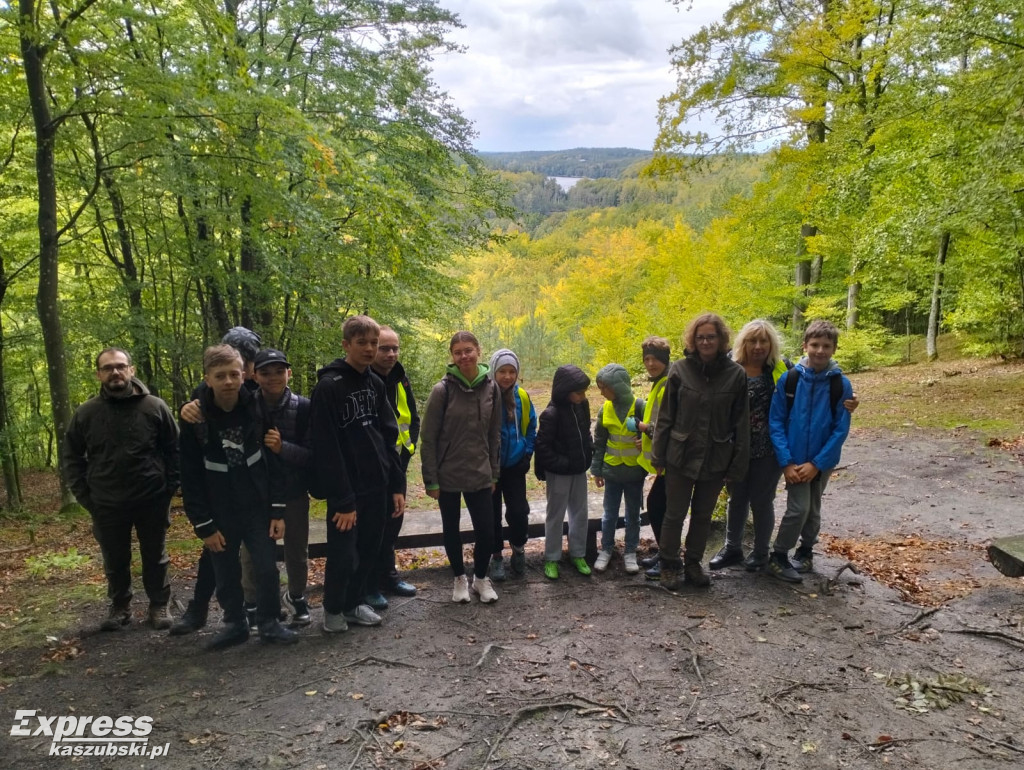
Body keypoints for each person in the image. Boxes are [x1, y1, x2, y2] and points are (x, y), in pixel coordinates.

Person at [709, 320, 859, 574]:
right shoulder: (730, 369)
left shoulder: (781, 370)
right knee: (737, 499)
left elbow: (815, 384)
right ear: (742, 342)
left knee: (762, 500)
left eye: (764, 341)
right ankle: (732, 547)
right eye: (752, 341)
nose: (758, 346)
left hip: (770, 450)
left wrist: (852, 402)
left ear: (772, 344)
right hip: (735, 448)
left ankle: (761, 553)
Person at [178, 344, 297, 648]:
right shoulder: (195, 418)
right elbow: (189, 475)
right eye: (220, 376)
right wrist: (203, 524)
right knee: (226, 571)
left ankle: (269, 622)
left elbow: (274, 459)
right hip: (220, 511)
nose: (229, 381)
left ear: (244, 375)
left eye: (234, 374)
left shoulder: (257, 408)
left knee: (266, 568)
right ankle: (234, 623)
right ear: (207, 379)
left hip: (257, 506)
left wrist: (278, 510)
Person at [63, 348, 179, 631]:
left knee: (156, 555)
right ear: (99, 374)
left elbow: (175, 450)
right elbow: (71, 457)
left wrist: (168, 489)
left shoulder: (154, 407)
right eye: (108, 368)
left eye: (120, 366)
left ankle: (159, 605)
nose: (115, 372)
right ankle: (120, 607)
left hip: (151, 497)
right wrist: (86, 497)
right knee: (115, 559)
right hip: (106, 501)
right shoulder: (86, 413)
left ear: (131, 370)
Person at [310, 315, 406, 632]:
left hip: (376, 486)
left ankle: (353, 604)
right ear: (346, 345)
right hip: (347, 492)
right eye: (362, 343)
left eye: (374, 343)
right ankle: (333, 610)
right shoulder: (328, 387)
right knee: (343, 554)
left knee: (369, 548)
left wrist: (395, 485)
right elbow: (326, 448)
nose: (369, 349)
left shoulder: (376, 384)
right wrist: (344, 499)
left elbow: (387, 438)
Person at [171, 326, 263, 635]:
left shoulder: (256, 390)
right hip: (220, 497)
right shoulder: (204, 398)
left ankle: (261, 610)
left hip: (253, 493)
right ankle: (202, 609)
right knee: (216, 553)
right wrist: (186, 409)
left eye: (246, 367)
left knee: (256, 558)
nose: (244, 374)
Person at [652, 313, 749, 590]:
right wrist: (657, 456)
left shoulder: (735, 375)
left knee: (703, 515)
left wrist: (737, 465)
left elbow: (741, 424)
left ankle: (693, 563)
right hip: (680, 455)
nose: (705, 341)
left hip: (716, 457)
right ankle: (669, 564)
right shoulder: (679, 370)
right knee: (674, 513)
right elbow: (665, 418)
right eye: (701, 337)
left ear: (721, 340)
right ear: (693, 340)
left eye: (711, 336)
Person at [766, 320, 854, 582]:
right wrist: (786, 462)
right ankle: (779, 555)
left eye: (826, 346)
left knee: (813, 508)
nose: (820, 351)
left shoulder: (841, 385)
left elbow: (840, 429)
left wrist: (817, 463)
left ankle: (805, 551)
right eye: (814, 345)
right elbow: (776, 421)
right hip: (793, 460)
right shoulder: (790, 380)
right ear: (805, 345)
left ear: (834, 349)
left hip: (821, 462)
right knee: (798, 508)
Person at [420, 331, 502, 603]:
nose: (464, 356)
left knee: (487, 530)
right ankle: (458, 579)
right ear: (452, 357)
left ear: (478, 351)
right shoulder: (442, 390)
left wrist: (494, 472)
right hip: (448, 474)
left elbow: (494, 434)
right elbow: (428, 437)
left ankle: (480, 578)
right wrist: (431, 479)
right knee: (451, 528)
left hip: (480, 472)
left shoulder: (491, 387)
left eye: (468, 350)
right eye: (458, 352)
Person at [250, 349, 313, 625]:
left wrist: (282, 448)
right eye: (265, 372)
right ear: (254, 375)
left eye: (279, 371)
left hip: (294, 491)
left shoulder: (304, 407)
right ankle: (252, 603)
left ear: (289, 373)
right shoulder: (245, 405)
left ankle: (296, 596)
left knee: (296, 550)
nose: (273, 377)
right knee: (251, 552)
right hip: (255, 493)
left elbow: (313, 455)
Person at [367, 326, 420, 607]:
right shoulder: (363, 380)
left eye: (394, 348)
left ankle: (388, 575)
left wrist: (405, 457)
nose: (390, 354)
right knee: (372, 528)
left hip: (397, 467)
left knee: (392, 523)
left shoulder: (400, 378)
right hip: (372, 472)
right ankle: (368, 583)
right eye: (384, 348)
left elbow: (412, 420)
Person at [535, 365, 594, 580]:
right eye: (579, 392)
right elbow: (542, 447)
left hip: (579, 469)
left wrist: (588, 454)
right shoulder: (551, 414)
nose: (583, 396)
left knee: (580, 512)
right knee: (556, 515)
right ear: (565, 391)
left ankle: (578, 554)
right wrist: (563, 463)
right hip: (559, 472)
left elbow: (586, 431)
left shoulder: (582, 405)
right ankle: (552, 557)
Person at [591, 364, 646, 574]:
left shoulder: (640, 406)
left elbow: (652, 432)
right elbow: (600, 442)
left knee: (633, 515)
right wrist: (596, 470)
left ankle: (630, 551)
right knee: (609, 514)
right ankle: (606, 549)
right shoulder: (604, 410)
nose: (602, 392)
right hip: (612, 472)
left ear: (618, 386)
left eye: (604, 387)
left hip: (634, 473)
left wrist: (644, 441)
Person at [487, 349, 537, 581]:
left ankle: (518, 548)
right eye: (502, 372)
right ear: (493, 372)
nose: (507, 376)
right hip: (489, 469)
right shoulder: (486, 396)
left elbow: (530, 426)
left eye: (511, 372)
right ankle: (496, 556)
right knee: (491, 513)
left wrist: (526, 454)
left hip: (515, 466)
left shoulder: (523, 397)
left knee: (518, 511)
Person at [635, 336, 671, 579]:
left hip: (669, 461)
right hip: (662, 459)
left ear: (665, 359)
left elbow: (669, 425)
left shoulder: (668, 384)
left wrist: (645, 428)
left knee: (660, 507)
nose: (650, 363)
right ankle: (664, 553)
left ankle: (669, 558)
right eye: (647, 359)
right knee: (659, 506)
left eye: (655, 359)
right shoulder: (658, 383)